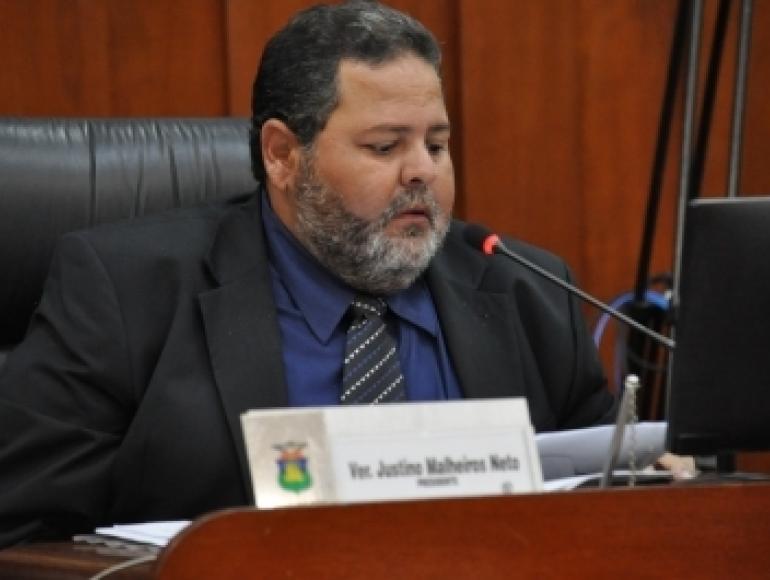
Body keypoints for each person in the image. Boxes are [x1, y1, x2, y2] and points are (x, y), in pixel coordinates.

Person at [0, 0, 615, 547]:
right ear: (282, 155)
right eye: (385, 147)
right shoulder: (128, 292)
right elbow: (23, 530)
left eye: (436, 144)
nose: (422, 172)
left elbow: (615, 507)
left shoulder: (530, 293)